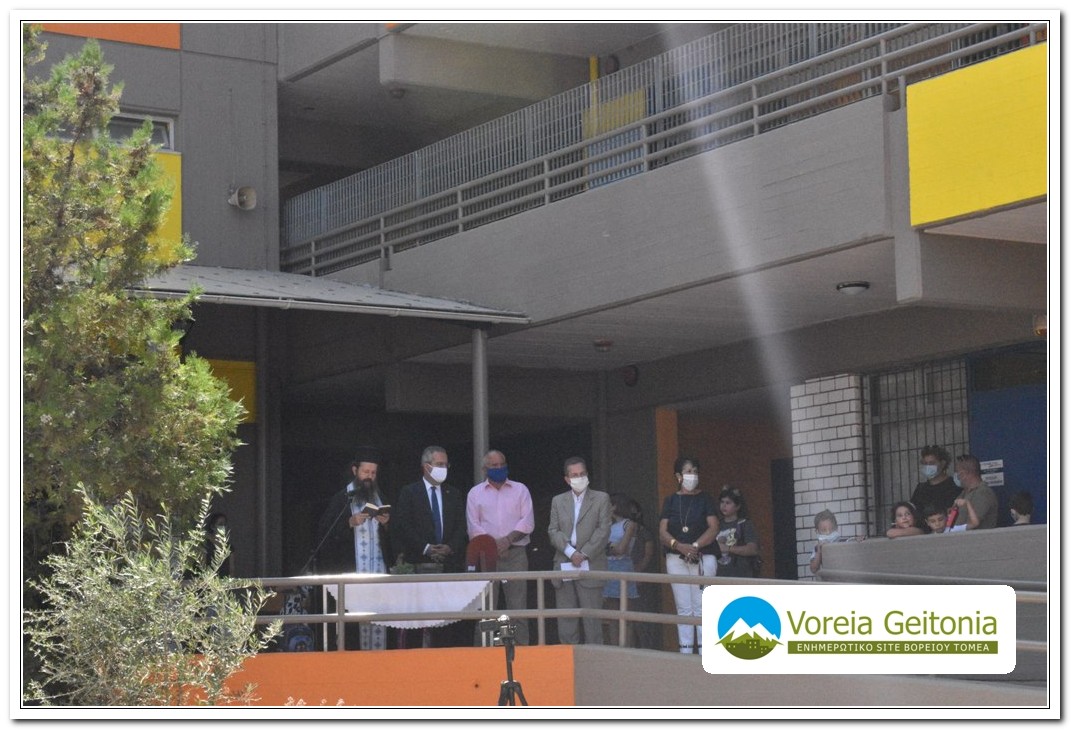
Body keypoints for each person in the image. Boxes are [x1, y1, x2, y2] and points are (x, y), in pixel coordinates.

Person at [314, 446, 392, 650]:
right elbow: (325, 533)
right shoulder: (342, 499)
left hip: (378, 575)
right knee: (352, 630)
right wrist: (349, 522)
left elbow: (394, 538)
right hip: (351, 574)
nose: (369, 477)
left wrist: (387, 524)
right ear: (355, 470)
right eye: (366, 472)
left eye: (373, 473)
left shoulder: (381, 498)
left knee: (380, 621)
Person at [392, 445, 468, 647]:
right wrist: (425, 547)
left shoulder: (453, 493)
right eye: (439, 464)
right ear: (426, 466)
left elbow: (461, 527)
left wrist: (450, 547)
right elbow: (403, 526)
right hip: (419, 564)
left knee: (446, 623)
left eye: (446, 465)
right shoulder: (410, 492)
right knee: (418, 620)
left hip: (448, 566)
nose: (444, 468)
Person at [465, 449, 535, 645]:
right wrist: (493, 546)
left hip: (516, 554)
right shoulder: (475, 493)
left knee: (518, 608)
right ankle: (484, 652)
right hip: (487, 556)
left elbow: (528, 522)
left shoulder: (520, 490)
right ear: (484, 469)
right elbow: (473, 527)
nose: (499, 468)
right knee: (486, 609)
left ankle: (522, 651)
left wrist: (507, 541)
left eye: (502, 464)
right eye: (494, 465)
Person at [548, 456, 612, 645]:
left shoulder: (601, 498)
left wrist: (583, 554)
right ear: (567, 479)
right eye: (574, 475)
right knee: (566, 620)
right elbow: (553, 530)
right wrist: (570, 552)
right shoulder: (558, 501)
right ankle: (568, 658)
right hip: (564, 563)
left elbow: (604, 530)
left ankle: (594, 659)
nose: (579, 478)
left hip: (590, 562)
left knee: (593, 621)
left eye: (582, 474)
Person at [658, 456, 719, 654]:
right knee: (683, 607)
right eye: (688, 471)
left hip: (703, 556)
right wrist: (678, 546)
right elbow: (663, 532)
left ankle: (704, 651)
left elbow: (713, 527)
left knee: (702, 606)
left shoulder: (705, 498)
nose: (693, 475)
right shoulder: (670, 500)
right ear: (678, 476)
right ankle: (685, 651)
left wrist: (694, 546)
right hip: (676, 558)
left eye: (695, 471)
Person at [602, 493, 640, 647]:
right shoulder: (607, 525)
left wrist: (609, 548)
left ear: (615, 506)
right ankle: (614, 649)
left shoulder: (629, 524)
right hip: (608, 568)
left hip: (623, 567)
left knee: (627, 615)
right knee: (612, 616)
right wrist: (611, 549)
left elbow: (622, 549)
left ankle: (627, 649)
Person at [627, 498, 659, 650]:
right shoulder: (619, 530)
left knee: (643, 618)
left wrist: (638, 572)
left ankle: (647, 649)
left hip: (641, 582)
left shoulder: (644, 532)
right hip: (625, 582)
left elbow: (648, 555)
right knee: (628, 619)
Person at [714, 485, 761, 578]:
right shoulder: (716, 525)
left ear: (738, 506)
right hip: (718, 574)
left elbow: (753, 549)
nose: (724, 505)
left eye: (728, 503)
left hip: (740, 575)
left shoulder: (745, 524)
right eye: (722, 502)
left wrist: (727, 548)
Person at [951, 454, 999, 530]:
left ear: (963, 474)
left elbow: (972, 523)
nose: (956, 476)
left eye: (957, 472)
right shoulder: (964, 493)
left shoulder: (983, 493)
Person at [909, 445, 959, 516]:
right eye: (925, 463)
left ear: (942, 463)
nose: (928, 466)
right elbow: (912, 511)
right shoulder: (920, 489)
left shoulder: (954, 486)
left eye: (932, 463)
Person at [809, 509, 850, 574]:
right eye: (824, 530)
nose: (828, 533)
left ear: (836, 528)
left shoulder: (844, 542)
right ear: (817, 532)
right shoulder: (817, 548)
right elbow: (813, 569)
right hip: (828, 578)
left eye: (832, 529)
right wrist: (819, 551)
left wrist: (858, 541)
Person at [204, 512, 231, 577]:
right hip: (209, 579)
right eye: (220, 524)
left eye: (224, 524)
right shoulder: (205, 544)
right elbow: (203, 566)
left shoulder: (228, 546)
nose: (223, 527)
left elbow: (231, 569)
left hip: (224, 580)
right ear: (212, 527)